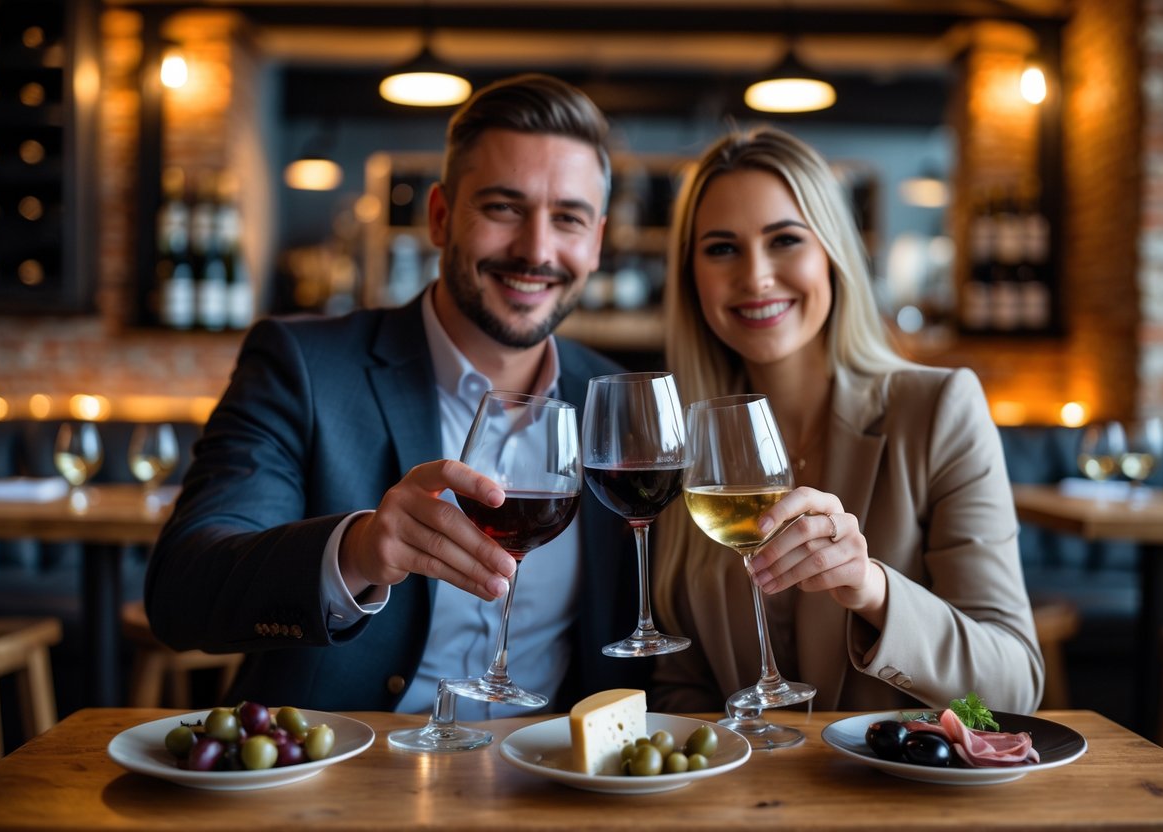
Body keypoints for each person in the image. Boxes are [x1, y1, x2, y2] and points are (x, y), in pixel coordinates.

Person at [146, 74, 649, 715]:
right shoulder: (303, 365)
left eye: (568, 219)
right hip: (347, 783)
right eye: (502, 208)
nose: (536, 250)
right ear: (440, 217)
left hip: (554, 785)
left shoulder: (614, 403)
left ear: (597, 241)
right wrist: (354, 552)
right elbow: (182, 593)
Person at [652, 127, 1044, 714]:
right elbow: (679, 685)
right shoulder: (686, 441)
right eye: (722, 248)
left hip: (896, 796)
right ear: (691, 277)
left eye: (784, 239)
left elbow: (1015, 684)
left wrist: (873, 590)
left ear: (831, 253)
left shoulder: (940, 410)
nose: (756, 276)